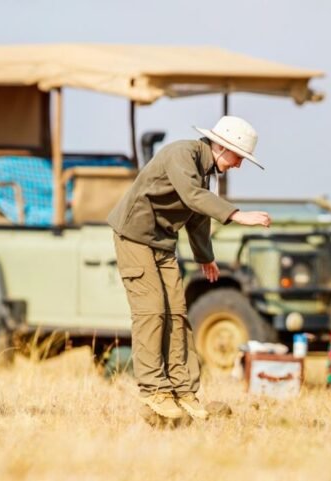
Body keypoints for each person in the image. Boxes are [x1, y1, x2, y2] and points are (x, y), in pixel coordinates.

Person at [107, 116, 272, 420]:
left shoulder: (204, 169)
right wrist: (237, 215)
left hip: (162, 242)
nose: (238, 165)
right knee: (152, 311)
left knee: (177, 313)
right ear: (223, 147)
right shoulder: (182, 154)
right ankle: (155, 389)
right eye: (239, 157)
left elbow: (197, 216)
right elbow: (194, 197)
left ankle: (183, 391)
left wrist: (204, 256)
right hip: (134, 237)